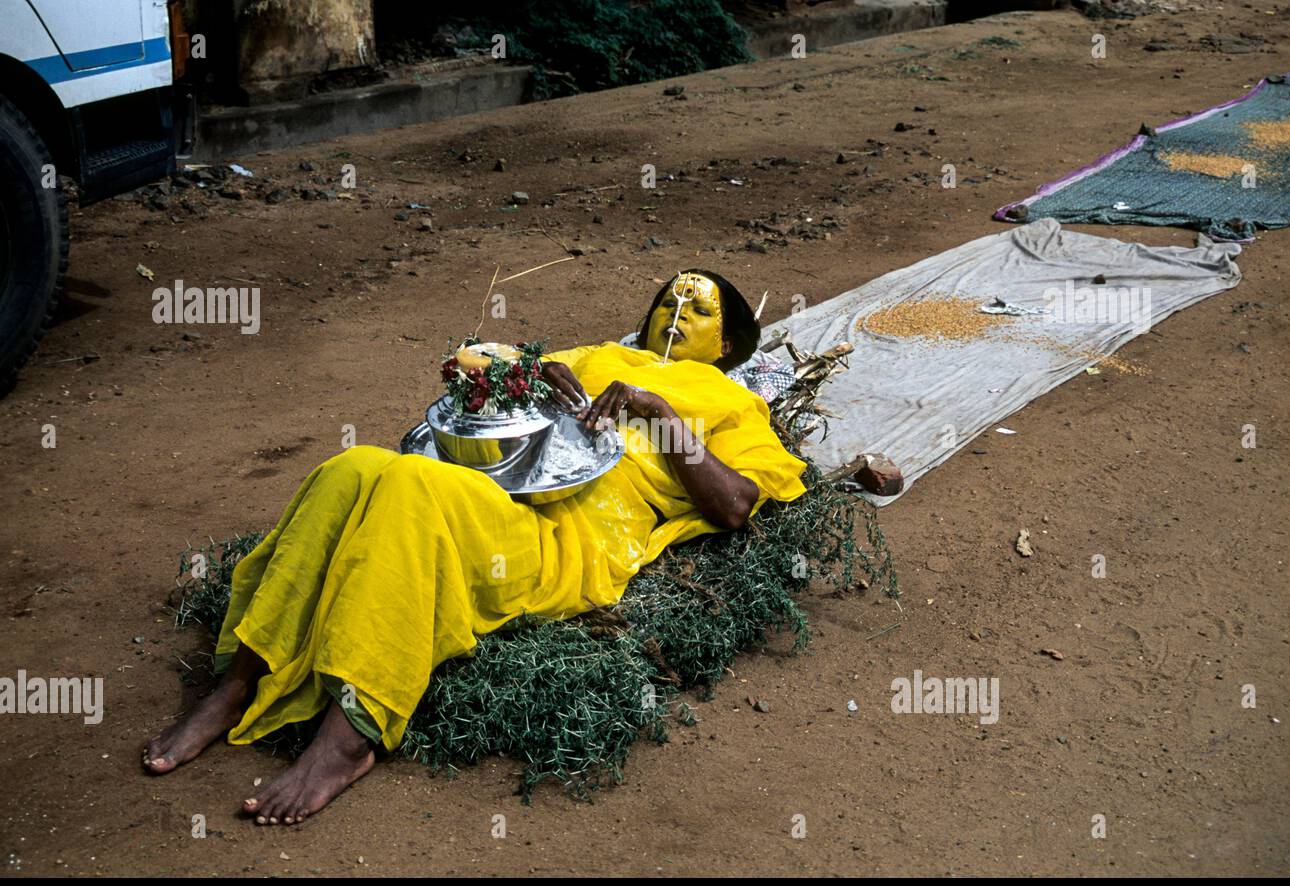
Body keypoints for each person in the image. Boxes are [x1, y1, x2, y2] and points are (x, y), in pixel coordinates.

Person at [143, 269, 807, 824]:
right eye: (668, 300)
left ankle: (352, 734)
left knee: (408, 487)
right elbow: (503, 382)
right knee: (351, 468)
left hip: (563, 539)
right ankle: (238, 683)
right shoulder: (602, 357)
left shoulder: (730, 401)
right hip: (501, 489)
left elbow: (734, 503)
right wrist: (536, 373)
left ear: (726, 342)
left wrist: (657, 413)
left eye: (697, 308)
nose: (676, 311)